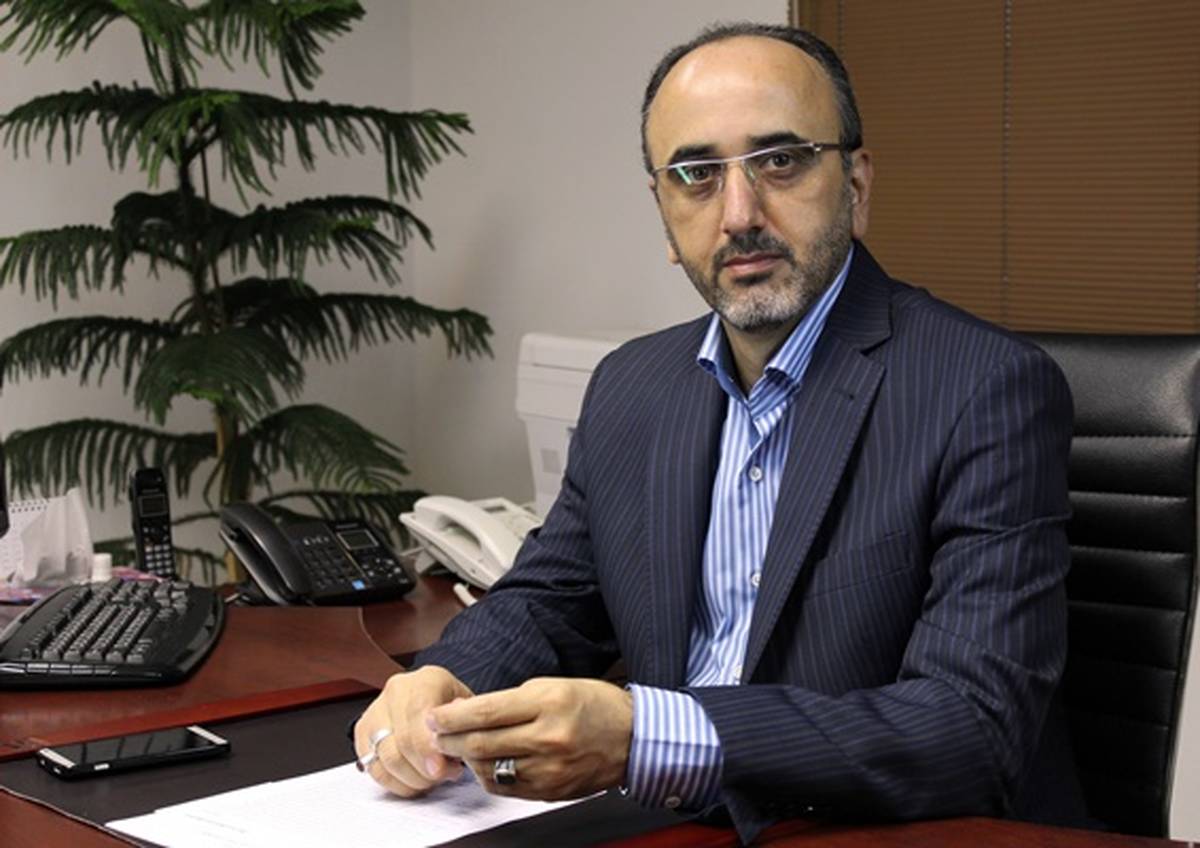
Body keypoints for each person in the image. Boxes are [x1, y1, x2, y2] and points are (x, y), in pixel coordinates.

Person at [353, 22, 1087, 843]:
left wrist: (647, 736)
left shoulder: (984, 387)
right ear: (664, 218)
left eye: (781, 161)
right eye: (696, 175)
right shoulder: (632, 385)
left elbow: (973, 727)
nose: (739, 214)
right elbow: (550, 601)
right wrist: (440, 685)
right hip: (670, 827)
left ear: (856, 186)